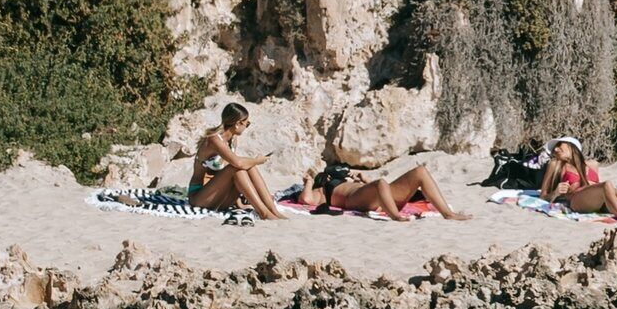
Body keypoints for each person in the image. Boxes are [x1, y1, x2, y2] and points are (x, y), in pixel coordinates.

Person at [535, 137, 617, 223]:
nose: (556, 149)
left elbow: (599, 190)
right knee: (607, 185)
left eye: (559, 145)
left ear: (572, 146)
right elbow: (542, 197)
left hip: (597, 202)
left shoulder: (592, 164)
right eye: (554, 149)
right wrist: (556, 193)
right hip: (576, 201)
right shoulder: (556, 165)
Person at [191, 103, 281, 218]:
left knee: (247, 166)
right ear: (238, 124)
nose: (246, 127)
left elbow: (234, 171)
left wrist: (238, 203)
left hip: (219, 197)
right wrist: (257, 160)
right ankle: (264, 213)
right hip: (199, 197)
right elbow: (237, 164)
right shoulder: (214, 140)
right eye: (247, 124)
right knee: (239, 166)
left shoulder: (232, 140)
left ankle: (272, 210)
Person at [301, 157, 464, 220]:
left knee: (420, 171)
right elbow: (306, 200)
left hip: (382, 199)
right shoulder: (324, 187)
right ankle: (396, 216)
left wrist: (365, 181)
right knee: (381, 183)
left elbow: (377, 188)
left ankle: (448, 214)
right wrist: (308, 182)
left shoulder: (353, 181)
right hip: (356, 201)